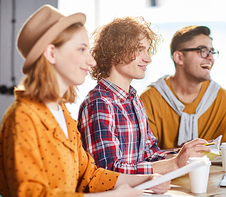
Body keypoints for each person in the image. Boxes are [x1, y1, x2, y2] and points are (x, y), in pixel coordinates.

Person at [0, 5, 170, 197]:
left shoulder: (61, 113)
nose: (92, 61)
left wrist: (147, 180)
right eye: (81, 49)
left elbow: (89, 176)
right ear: (52, 54)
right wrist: (115, 195)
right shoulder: (23, 117)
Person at [77, 17, 211, 175]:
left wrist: (184, 155)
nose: (148, 58)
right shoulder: (100, 103)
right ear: (116, 51)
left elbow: (149, 154)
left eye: (147, 50)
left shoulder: (133, 99)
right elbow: (108, 173)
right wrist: (175, 163)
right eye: (140, 50)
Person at [140, 25, 226, 162]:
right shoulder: (149, 99)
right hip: (164, 178)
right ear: (179, 57)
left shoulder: (220, 97)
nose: (210, 58)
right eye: (202, 51)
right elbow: (144, 152)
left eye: (212, 52)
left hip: (211, 177)